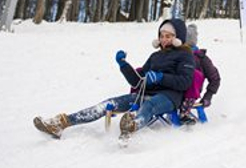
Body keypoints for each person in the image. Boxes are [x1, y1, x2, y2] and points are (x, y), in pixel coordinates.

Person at [33, 19, 195, 141]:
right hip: (145, 93)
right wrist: (123, 65)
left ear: (177, 38)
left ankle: (132, 125)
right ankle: (62, 123)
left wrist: (162, 77)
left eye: (168, 36)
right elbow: (137, 82)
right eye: (161, 36)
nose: (164, 39)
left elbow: (185, 82)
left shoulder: (185, 55)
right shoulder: (155, 55)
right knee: (107, 104)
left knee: (149, 105)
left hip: (169, 97)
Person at [180, 24, 221, 124]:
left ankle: (185, 112)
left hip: (191, 91)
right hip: (175, 88)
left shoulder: (201, 59)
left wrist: (208, 96)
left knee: (195, 75)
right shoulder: (176, 54)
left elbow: (215, 78)